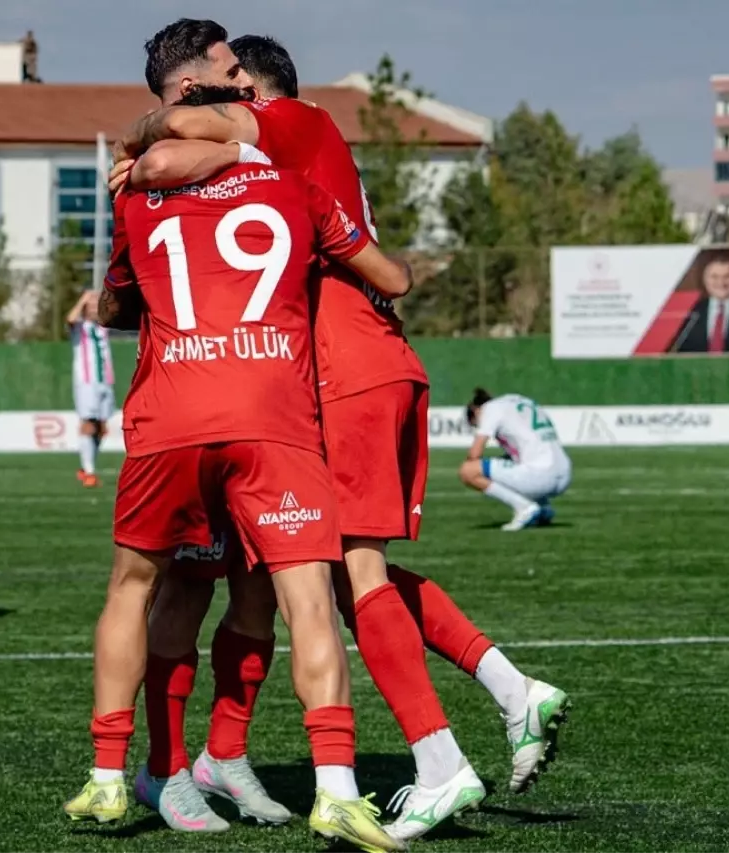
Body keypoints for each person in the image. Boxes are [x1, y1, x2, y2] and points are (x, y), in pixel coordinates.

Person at [114, 29, 571, 843]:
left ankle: (440, 764)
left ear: (254, 91)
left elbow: (185, 144)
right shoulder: (279, 158)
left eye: (231, 84)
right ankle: (508, 690)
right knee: (311, 575)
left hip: (335, 373)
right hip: (302, 384)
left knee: (342, 575)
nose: (221, 101)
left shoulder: (290, 120)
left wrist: (146, 138)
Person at [64, 139, 411, 851]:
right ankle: (334, 790)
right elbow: (393, 278)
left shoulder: (137, 194)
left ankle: (114, 769)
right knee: (302, 596)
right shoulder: (297, 185)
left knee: (140, 586)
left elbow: (113, 304)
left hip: (174, 419)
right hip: (272, 422)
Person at [461, 388, 572, 531]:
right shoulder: (518, 400)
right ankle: (543, 507)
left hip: (542, 477)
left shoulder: (489, 409)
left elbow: (474, 455)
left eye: (476, 424)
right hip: (565, 473)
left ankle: (524, 508)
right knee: (512, 462)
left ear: (476, 411)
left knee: (468, 471)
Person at [66, 291, 115, 487]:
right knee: (88, 423)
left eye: (97, 304)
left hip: (106, 380)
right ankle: (88, 470)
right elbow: (70, 319)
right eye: (92, 305)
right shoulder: (80, 328)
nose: (95, 307)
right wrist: (83, 300)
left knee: (102, 428)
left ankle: (89, 467)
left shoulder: (103, 327)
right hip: (87, 381)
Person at [672, 251, 729, 354]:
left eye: (728, 276)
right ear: (705, 279)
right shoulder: (691, 311)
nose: (721, 282)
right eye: (714, 277)